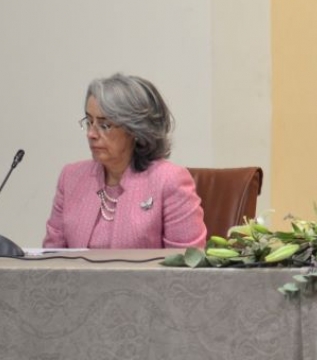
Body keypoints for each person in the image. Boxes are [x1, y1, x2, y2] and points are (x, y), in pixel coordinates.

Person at [43, 74, 207, 249]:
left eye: (104, 125)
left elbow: (185, 266)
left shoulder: (169, 180)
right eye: (89, 122)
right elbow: (52, 258)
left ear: (135, 130)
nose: (91, 133)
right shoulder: (71, 177)